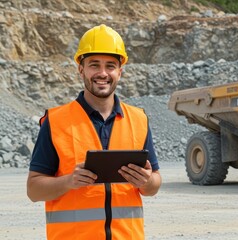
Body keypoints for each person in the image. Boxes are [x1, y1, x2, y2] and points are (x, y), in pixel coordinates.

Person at [26, 24, 162, 240]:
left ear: (120, 71)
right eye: (94, 65)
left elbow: (154, 184)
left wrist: (146, 182)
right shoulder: (56, 121)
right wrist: (69, 181)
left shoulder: (139, 120)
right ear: (81, 69)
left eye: (110, 65)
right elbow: (33, 189)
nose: (102, 73)